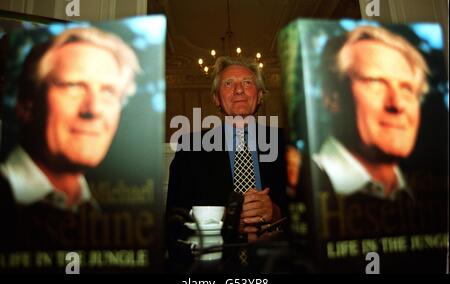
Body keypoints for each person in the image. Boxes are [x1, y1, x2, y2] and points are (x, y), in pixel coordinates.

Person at [0, 27, 140, 249]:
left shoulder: (108, 215)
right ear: (26, 104)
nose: (93, 109)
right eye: (73, 85)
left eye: (108, 92)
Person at [166, 56, 287, 246]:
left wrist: (276, 213)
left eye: (247, 83)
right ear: (216, 99)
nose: (239, 90)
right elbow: (174, 220)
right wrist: (226, 222)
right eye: (228, 84)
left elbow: (313, 215)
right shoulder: (190, 147)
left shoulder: (287, 143)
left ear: (260, 95)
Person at [313, 25, 429, 200]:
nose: (397, 104)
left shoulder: (426, 196)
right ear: (332, 98)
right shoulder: (306, 182)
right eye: (375, 82)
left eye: (407, 89)